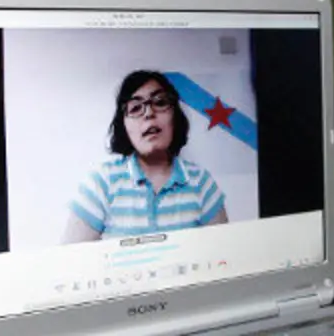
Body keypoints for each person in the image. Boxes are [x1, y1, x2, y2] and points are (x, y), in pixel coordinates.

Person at [64, 71, 228, 242]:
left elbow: (224, 256)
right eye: (135, 108)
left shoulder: (201, 182)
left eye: (160, 102)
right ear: (124, 126)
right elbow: (72, 259)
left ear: (175, 117)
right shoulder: (101, 183)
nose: (149, 113)